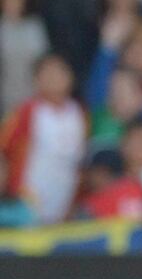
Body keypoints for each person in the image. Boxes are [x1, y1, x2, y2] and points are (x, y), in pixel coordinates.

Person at [0, 53, 87, 226]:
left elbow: (81, 162)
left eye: (59, 72)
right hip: (27, 200)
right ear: (36, 79)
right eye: (47, 73)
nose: (53, 78)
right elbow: (3, 149)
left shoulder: (80, 113)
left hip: (65, 200)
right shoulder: (26, 112)